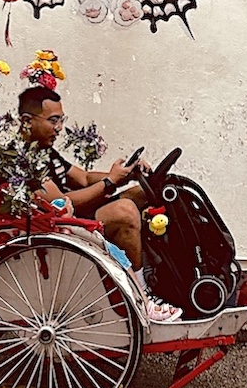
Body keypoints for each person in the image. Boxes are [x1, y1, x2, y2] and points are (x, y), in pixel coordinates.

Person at [18, 85, 183, 323]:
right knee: (125, 212)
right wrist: (109, 182)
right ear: (27, 121)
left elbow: (83, 178)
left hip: (78, 217)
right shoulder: (24, 159)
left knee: (141, 193)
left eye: (61, 120)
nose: (59, 128)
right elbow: (62, 201)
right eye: (53, 120)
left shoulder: (47, 153)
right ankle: (142, 296)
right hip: (61, 224)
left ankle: (165, 273)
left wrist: (126, 174)